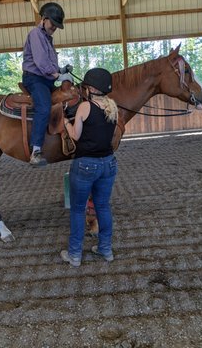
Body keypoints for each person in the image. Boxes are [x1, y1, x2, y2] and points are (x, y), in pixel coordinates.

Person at [60, 68, 118, 267]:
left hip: (86, 164)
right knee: (103, 206)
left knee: (77, 209)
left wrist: (66, 122)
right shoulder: (113, 107)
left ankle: (75, 255)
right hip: (108, 163)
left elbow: (75, 136)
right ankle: (105, 249)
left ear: (92, 88)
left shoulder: (85, 107)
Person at [22, 2, 73, 166]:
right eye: (53, 24)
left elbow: (49, 63)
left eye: (57, 26)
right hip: (35, 79)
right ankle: (35, 151)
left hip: (46, 78)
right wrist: (58, 75)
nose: (54, 28)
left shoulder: (47, 38)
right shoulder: (36, 34)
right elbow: (41, 62)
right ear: (44, 19)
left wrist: (61, 69)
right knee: (44, 108)